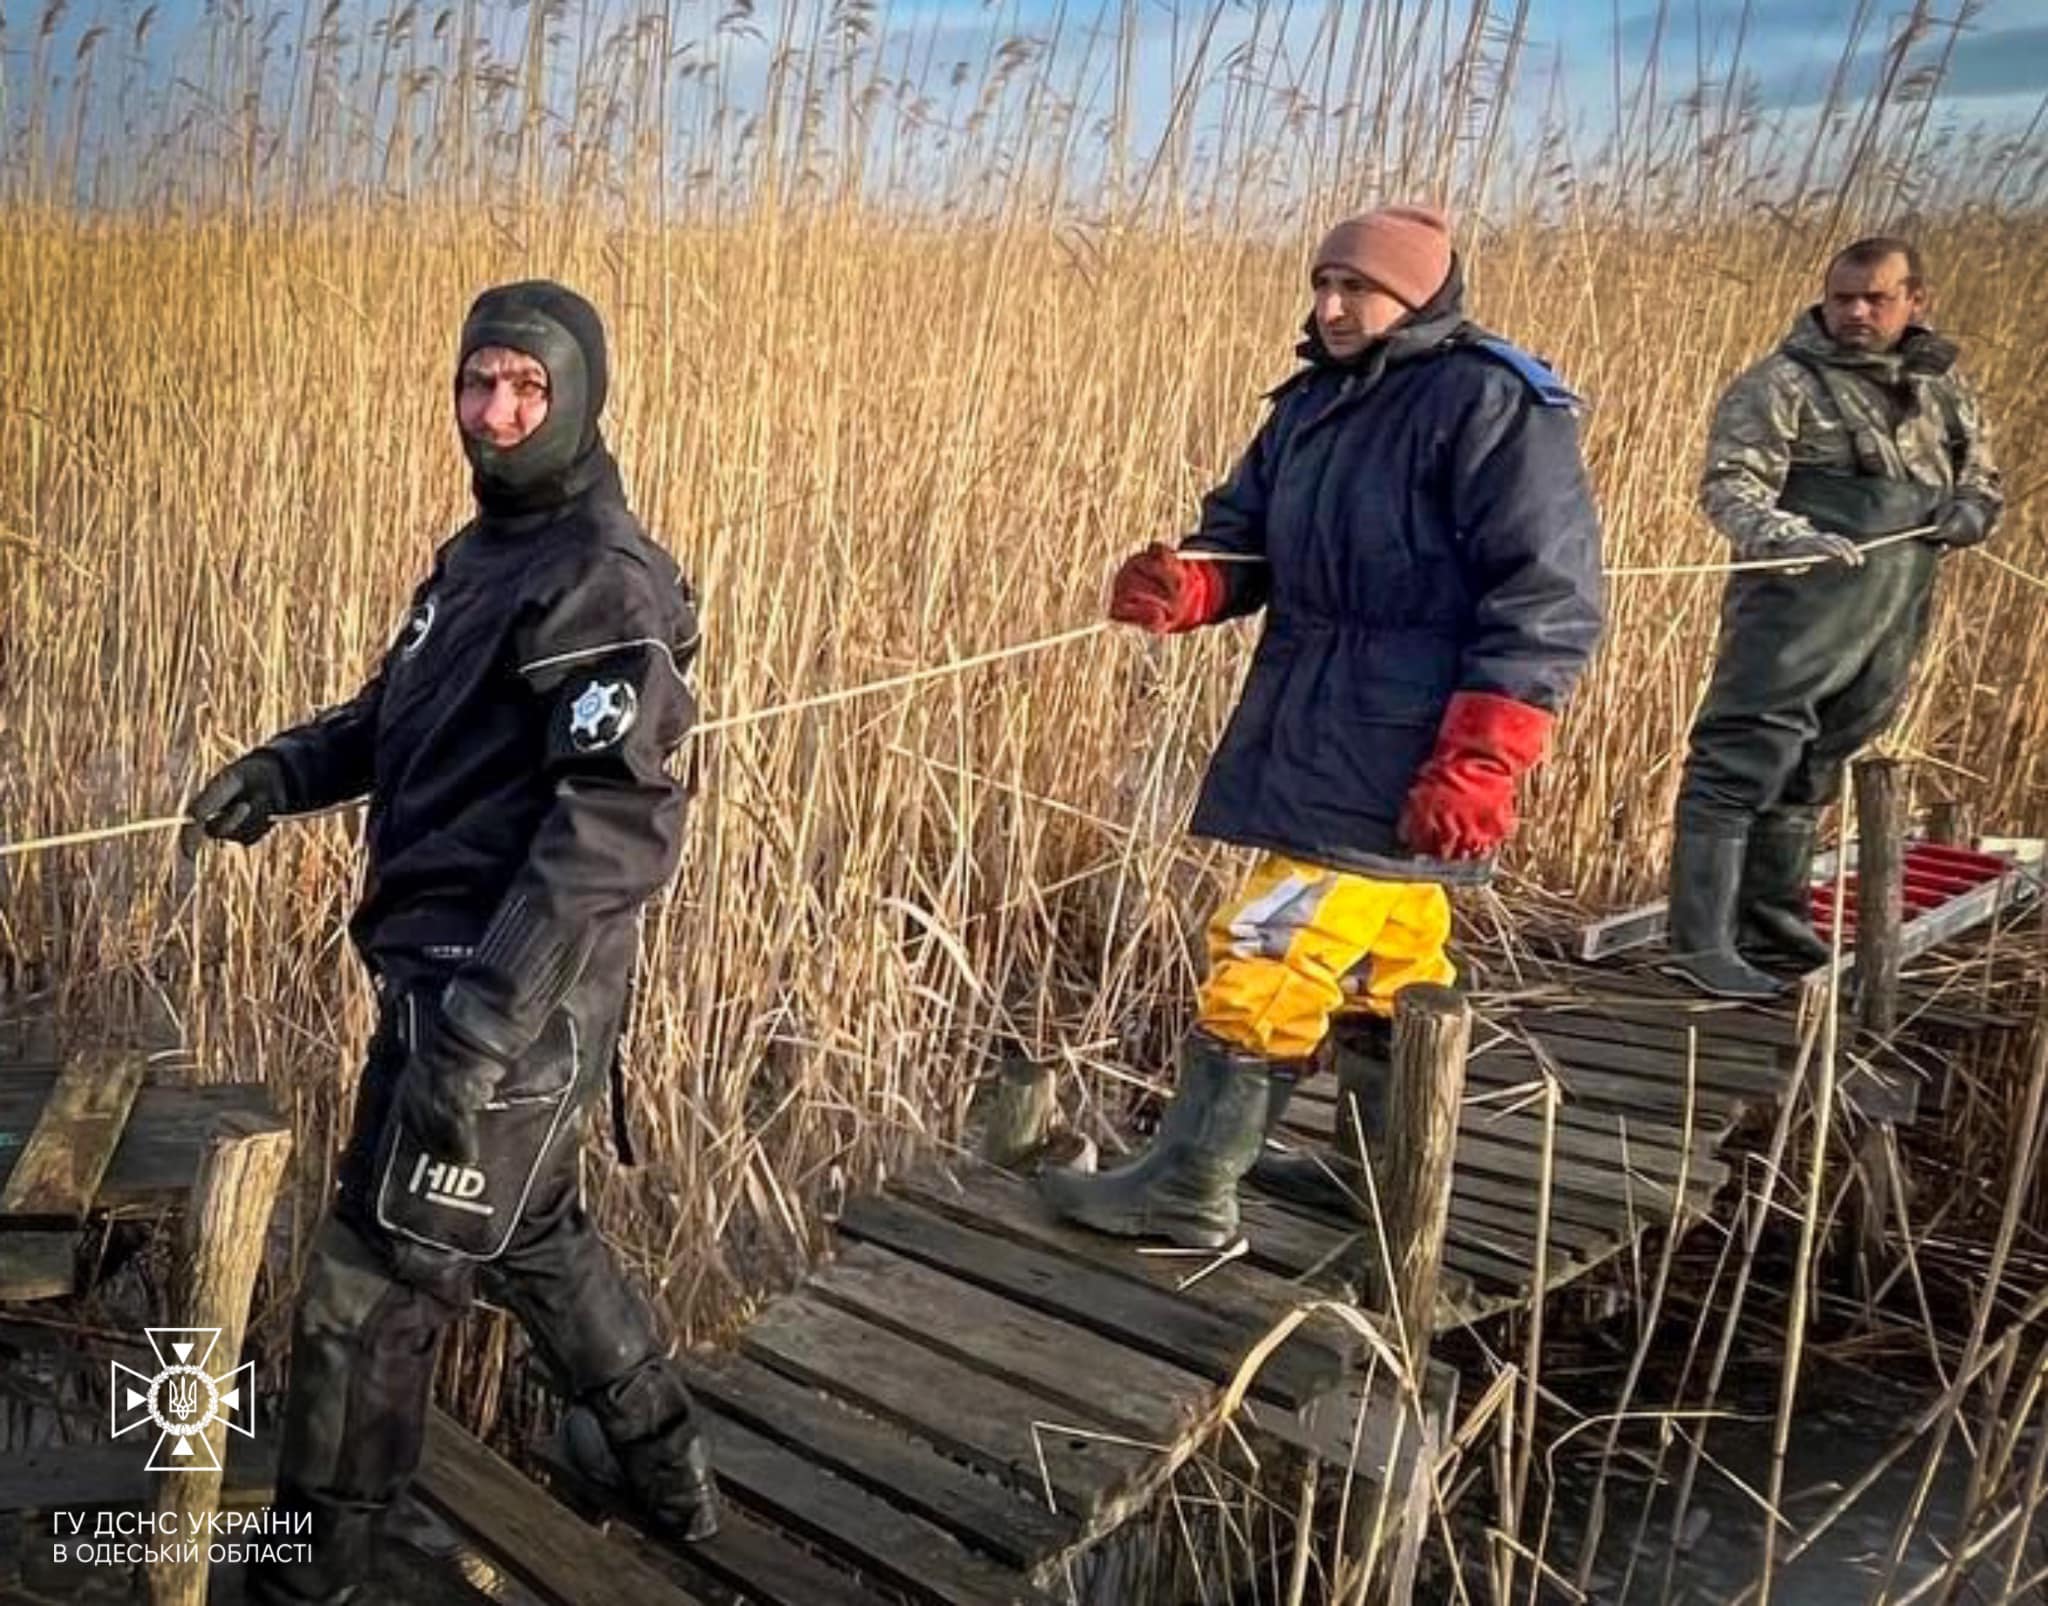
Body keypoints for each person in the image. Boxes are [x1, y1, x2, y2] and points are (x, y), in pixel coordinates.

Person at [185, 280, 719, 1604]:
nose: (495, 412)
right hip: (450, 986)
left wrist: (477, 1034)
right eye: (478, 383)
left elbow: (609, 831)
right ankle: (670, 1467)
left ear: (581, 397)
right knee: (528, 1225)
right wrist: (286, 768)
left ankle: (314, 1578)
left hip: (504, 1002)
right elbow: (403, 716)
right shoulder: (487, 551)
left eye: (526, 389)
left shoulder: (602, 578)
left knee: (369, 1293)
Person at [1039, 204, 1606, 1246]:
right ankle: (1379, 1172)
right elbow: (1245, 538)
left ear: (1417, 294)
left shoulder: (1490, 403)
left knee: (1265, 939)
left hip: (1407, 739)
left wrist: (1482, 756)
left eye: (1356, 288)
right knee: (1397, 953)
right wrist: (1190, 585)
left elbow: (1548, 598)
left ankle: (1187, 1189)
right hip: (1314, 711)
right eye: (1320, 283)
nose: (1330, 306)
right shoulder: (1310, 403)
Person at [1665, 237, 2003, 999]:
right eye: (1841, 296)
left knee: (1821, 759)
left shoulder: (1943, 390)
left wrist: (1972, 512)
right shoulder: (1781, 383)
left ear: (1917, 301)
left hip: (1896, 600)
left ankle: (1777, 934)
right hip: (1796, 602)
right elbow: (1729, 486)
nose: (1853, 311)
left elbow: (1984, 477)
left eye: (1874, 298)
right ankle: (1700, 945)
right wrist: (1792, 535)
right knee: (1741, 755)